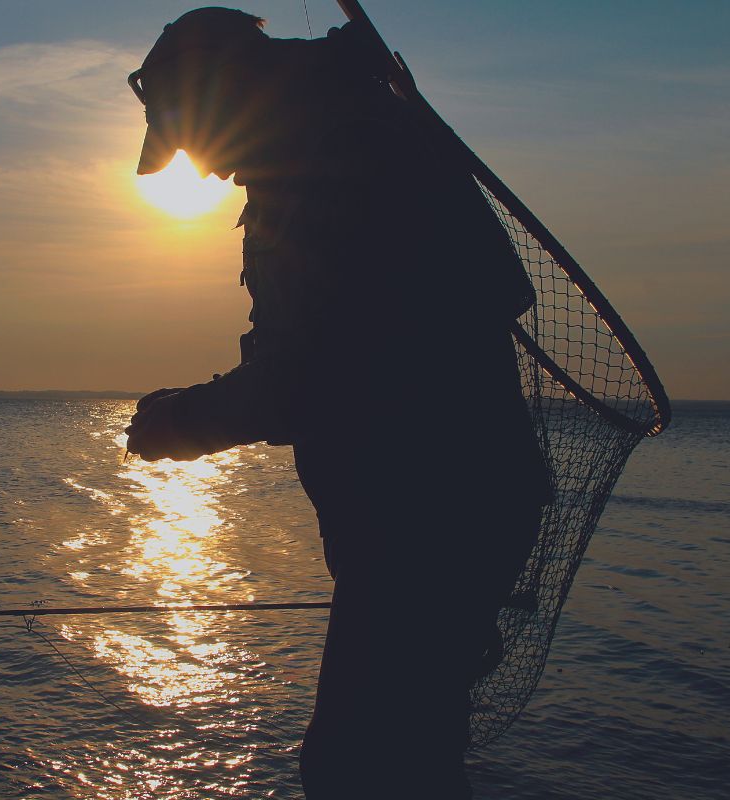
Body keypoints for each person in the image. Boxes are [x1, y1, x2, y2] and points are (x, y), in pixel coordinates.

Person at [124, 8, 551, 798]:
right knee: (407, 760)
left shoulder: (330, 154)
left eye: (193, 142)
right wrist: (199, 403)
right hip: (450, 509)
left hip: (431, 517)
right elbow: (310, 348)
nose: (209, 173)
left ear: (218, 97)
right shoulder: (338, 130)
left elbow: (304, 378)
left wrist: (180, 423)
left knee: (358, 768)